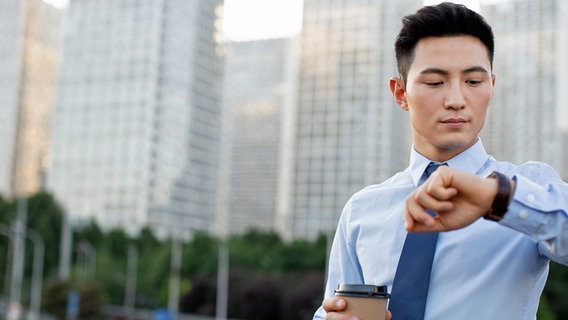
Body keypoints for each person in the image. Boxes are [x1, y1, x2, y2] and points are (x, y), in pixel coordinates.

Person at [313, 2, 568, 320]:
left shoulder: (529, 189)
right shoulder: (361, 211)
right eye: (435, 83)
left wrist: (495, 198)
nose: (457, 101)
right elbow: (332, 310)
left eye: (474, 81)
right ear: (400, 93)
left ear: (492, 86)